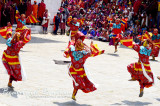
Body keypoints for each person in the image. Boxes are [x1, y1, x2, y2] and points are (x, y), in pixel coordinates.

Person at [64, 31, 105, 100]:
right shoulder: (73, 50)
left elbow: (92, 53)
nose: (79, 42)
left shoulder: (84, 53)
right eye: (78, 40)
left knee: (79, 84)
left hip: (81, 71)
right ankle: (74, 95)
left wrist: (98, 51)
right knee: (78, 83)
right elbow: (67, 54)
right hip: (73, 70)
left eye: (81, 40)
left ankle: (73, 95)